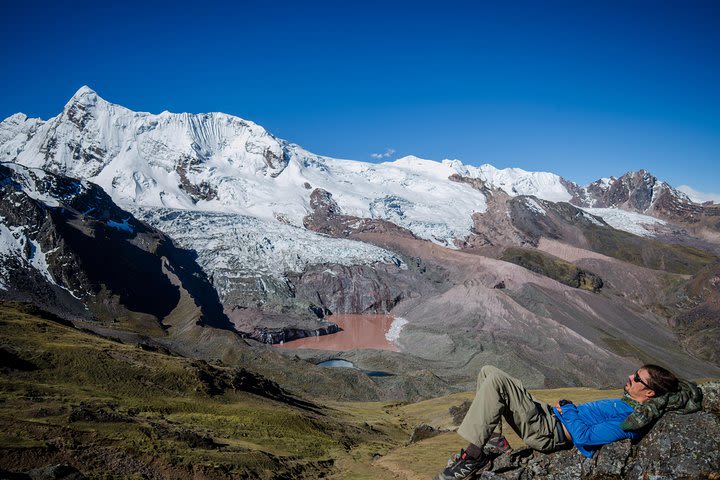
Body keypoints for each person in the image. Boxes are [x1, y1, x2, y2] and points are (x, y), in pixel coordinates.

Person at [435, 364, 702, 480]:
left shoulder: (630, 419)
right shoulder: (628, 404)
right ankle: (493, 439)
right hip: (549, 417)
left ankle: (474, 456)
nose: (630, 377)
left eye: (637, 379)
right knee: (488, 371)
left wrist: (568, 410)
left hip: (549, 431)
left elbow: (585, 438)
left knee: (496, 382)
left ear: (650, 393)